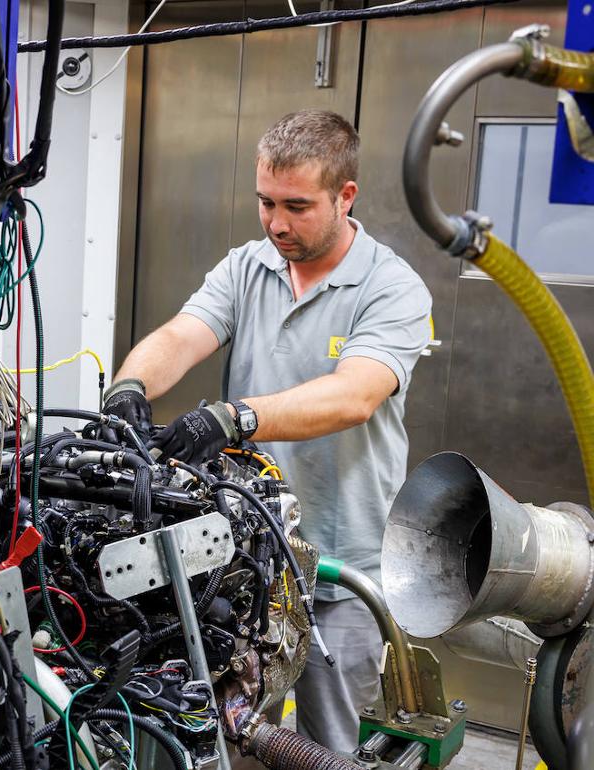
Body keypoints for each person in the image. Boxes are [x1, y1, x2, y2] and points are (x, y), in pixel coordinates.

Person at [104, 110, 432, 754]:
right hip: (244, 563)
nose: (277, 223)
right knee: (219, 734)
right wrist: (130, 386)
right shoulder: (247, 267)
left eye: (297, 206)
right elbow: (181, 335)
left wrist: (236, 417)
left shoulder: (393, 288)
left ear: (345, 196)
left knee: (327, 749)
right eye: (265, 202)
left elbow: (356, 395)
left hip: (341, 571)